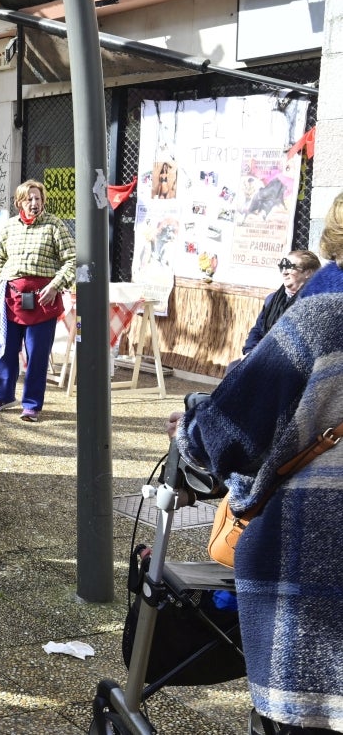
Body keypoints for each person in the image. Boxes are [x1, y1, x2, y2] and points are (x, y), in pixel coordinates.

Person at [168, 192, 343, 735]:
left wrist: (191, 429)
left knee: (304, 716)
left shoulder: (322, 316)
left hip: (318, 554)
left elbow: (232, 430)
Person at [0, 179, 75, 422]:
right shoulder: (9, 227)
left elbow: (72, 260)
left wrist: (55, 286)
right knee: (6, 350)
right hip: (11, 300)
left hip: (43, 301)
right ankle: (4, 396)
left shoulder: (54, 225)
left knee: (37, 355)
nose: (34, 203)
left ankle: (32, 405)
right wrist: (2, 279)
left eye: (38, 198)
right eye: (29, 199)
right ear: (19, 203)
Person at [243, 249, 320, 354]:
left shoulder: (315, 304)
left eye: (289, 267)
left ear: (308, 273)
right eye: (282, 267)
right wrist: (249, 352)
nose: (284, 272)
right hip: (261, 356)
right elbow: (258, 330)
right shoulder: (272, 300)